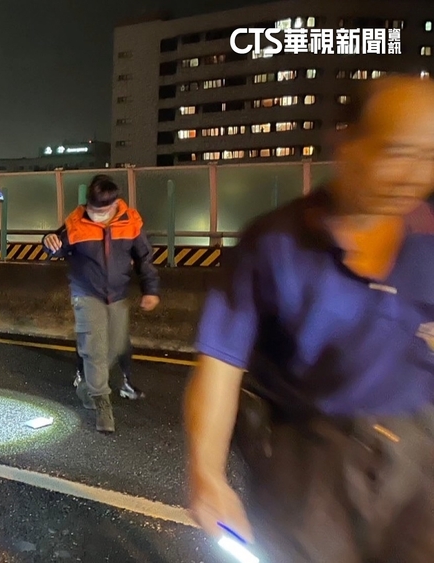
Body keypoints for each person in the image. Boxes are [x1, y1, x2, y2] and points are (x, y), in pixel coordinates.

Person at [184, 75, 434, 562]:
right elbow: (219, 364)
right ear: (346, 144)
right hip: (311, 471)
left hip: (421, 466)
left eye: (430, 156)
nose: (413, 176)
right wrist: (206, 473)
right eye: (396, 152)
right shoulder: (273, 245)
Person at [43, 175, 160, 433]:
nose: (96, 215)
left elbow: (144, 258)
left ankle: (88, 386)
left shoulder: (130, 223)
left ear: (115, 204)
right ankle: (102, 403)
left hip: (117, 294)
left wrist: (150, 289)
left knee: (117, 345)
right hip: (86, 294)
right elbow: (55, 246)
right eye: (93, 210)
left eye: (102, 211)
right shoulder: (76, 223)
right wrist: (48, 241)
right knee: (95, 347)